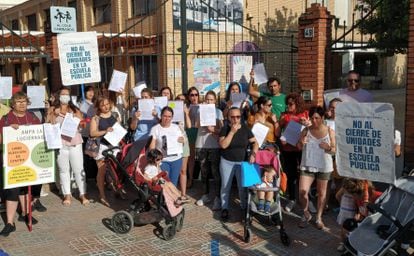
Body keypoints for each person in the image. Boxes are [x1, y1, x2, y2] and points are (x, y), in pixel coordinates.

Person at [0, 92, 41, 236]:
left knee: (25, 187)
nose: (22, 104)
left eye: (24, 101)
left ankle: (25, 213)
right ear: (13, 104)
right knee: (12, 190)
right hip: (12, 160)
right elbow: (1, 140)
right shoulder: (6, 119)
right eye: (18, 101)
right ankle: (10, 223)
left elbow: (41, 135)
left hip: (29, 160)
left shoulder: (34, 118)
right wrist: (10, 130)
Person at [46, 87, 89, 206]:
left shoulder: (75, 109)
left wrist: (82, 124)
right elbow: (48, 125)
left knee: (78, 169)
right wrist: (52, 115)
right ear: (59, 96)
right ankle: (67, 194)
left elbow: (82, 126)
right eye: (63, 94)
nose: (65, 96)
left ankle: (82, 193)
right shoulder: (53, 109)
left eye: (67, 94)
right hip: (60, 144)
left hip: (75, 142)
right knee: (63, 170)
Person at [297, 106, 335, 230]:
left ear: (322, 117)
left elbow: (335, 150)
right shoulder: (305, 130)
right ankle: (306, 213)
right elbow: (298, 146)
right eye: (312, 118)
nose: (314, 121)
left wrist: (328, 148)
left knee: (322, 193)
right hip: (307, 164)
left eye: (317, 118)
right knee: (302, 192)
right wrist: (301, 143)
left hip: (324, 166)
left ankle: (319, 218)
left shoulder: (330, 131)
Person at [219, 107, 258, 220]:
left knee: (242, 187)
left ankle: (244, 207)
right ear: (228, 118)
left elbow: (255, 143)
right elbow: (223, 145)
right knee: (226, 186)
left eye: (238, 117)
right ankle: (224, 208)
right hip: (227, 161)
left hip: (242, 162)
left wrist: (253, 154)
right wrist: (232, 132)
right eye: (233, 117)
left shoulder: (245, 129)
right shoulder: (225, 129)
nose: (235, 119)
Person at [279, 93, 310, 212]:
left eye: (291, 104)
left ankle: (308, 200)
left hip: (302, 148)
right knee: (291, 175)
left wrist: (307, 124)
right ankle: (292, 198)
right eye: (287, 104)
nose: (288, 106)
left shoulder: (305, 114)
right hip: (288, 149)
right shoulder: (285, 115)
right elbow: (279, 131)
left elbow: (311, 129)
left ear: (297, 104)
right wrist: (280, 123)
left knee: (304, 175)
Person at [89, 96, 121, 207]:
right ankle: (102, 195)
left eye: (107, 104)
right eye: (103, 105)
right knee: (101, 171)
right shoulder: (96, 118)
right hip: (102, 147)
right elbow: (92, 133)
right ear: (98, 106)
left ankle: (117, 189)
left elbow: (118, 128)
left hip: (114, 146)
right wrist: (105, 131)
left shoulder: (115, 115)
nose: (106, 107)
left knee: (115, 171)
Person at [195, 91, 223, 210]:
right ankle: (205, 195)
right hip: (201, 144)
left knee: (215, 172)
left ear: (215, 101)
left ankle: (217, 197)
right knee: (204, 172)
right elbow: (195, 125)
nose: (209, 102)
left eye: (211, 100)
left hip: (214, 145)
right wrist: (202, 119)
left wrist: (213, 130)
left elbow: (221, 129)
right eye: (207, 99)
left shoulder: (219, 112)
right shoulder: (199, 110)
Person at [149, 106, 185, 186]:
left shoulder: (176, 127)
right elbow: (152, 147)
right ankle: (164, 198)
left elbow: (182, 140)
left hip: (176, 159)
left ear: (172, 117)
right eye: (165, 116)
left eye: (169, 116)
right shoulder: (155, 129)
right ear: (161, 116)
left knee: (173, 184)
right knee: (164, 184)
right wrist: (155, 158)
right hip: (163, 160)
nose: (167, 118)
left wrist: (182, 140)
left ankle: (173, 198)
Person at [175, 94, 191, 203]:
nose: (181, 101)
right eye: (178, 100)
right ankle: (173, 192)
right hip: (173, 142)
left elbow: (189, 126)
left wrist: (186, 113)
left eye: (183, 100)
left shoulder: (185, 112)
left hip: (184, 142)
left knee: (183, 169)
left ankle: (183, 193)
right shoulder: (171, 112)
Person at [335, 178, 359, 252]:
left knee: (352, 230)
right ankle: (343, 243)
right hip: (344, 212)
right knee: (342, 230)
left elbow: (358, 203)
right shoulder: (344, 188)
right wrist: (341, 205)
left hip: (352, 213)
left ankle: (351, 243)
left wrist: (357, 212)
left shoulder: (356, 190)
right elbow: (337, 196)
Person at [186, 87, 200, 188]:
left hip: (200, 131)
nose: (194, 97)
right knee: (191, 157)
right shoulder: (187, 106)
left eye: (196, 94)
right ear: (189, 97)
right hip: (190, 132)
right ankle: (190, 179)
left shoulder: (203, 106)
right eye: (192, 95)